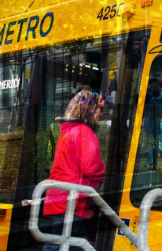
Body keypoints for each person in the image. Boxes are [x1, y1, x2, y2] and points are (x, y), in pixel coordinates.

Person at [43, 86, 105, 251]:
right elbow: (91, 168)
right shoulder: (85, 133)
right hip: (72, 201)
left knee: (61, 242)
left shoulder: (69, 132)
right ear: (88, 110)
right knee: (69, 244)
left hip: (62, 198)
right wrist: (111, 171)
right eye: (99, 108)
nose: (101, 113)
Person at [144, 78, 162, 165]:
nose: (156, 86)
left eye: (157, 84)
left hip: (160, 120)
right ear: (150, 85)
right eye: (154, 84)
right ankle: (153, 160)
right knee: (150, 140)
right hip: (149, 120)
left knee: (161, 139)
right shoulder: (147, 95)